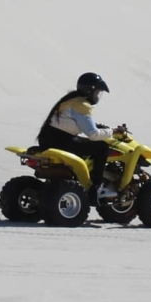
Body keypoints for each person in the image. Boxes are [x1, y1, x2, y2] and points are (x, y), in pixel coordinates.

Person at [37, 72, 123, 204]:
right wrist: (112, 132)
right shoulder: (82, 104)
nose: (97, 96)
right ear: (90, 90)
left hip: (48, 140)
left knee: (86, 145)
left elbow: (76, 123)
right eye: (97, 92)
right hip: (62, 142)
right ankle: (97, 187)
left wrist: (100, 127)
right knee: (102, 147)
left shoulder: (71, 99)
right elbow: (93, 134)